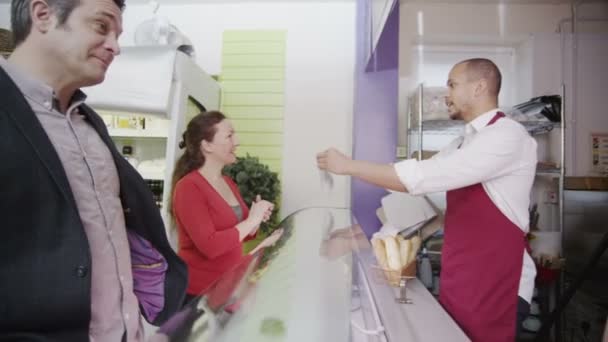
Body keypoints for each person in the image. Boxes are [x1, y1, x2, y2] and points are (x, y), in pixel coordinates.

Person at [0, 0, 188, 340]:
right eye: (102, 27)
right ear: (42, 14)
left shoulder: (89, 123)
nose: (115, 47)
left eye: (118, 34)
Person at [317, 58, 537, 342]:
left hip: (498, 284)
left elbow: (422, 177)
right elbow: (422, 198)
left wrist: (349, 166)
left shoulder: (507, 136)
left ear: (479, 87)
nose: (447, 93)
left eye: (452, 84)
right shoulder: (463, 142)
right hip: (463, 280)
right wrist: (366, 233)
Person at [171, 111, 281, 303]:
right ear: (207, 145)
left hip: (228, 287)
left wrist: (256, 218)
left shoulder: (228, 182)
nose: (236, 142)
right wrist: (252, 220)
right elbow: (211, 246)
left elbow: (239, 233)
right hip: (198, 295)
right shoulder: (188, 187)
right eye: (229, 136)